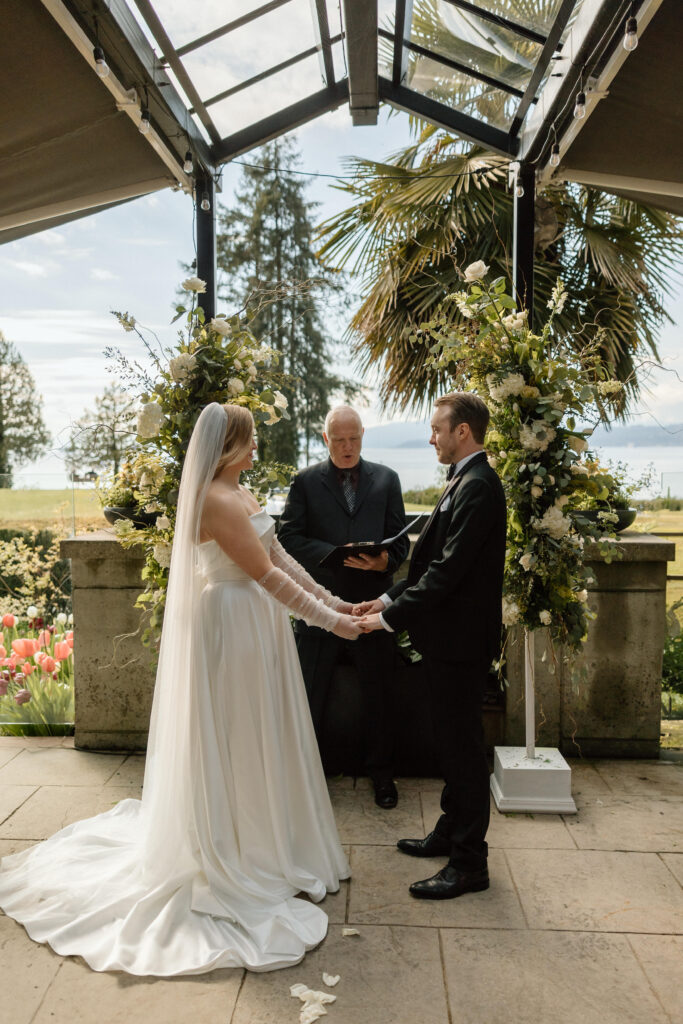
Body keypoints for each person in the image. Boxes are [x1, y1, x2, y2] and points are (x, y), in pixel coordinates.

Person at [0, 403, 362, 975]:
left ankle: (268, 838)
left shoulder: (239, 491)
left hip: (257, 621)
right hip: (233, 620)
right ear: (229, 444)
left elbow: (281, 557)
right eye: (249, 439)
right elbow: (264, 575)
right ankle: (238, 847)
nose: (256, 447)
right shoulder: (216, 499)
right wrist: (333, 624)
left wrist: (337, 602)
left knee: (260, 731)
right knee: (238, 733)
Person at [357, 392, 506, 899]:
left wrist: (387, 619)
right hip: (449, 641)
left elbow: (447, 574)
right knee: (450, 743)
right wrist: (384, 598)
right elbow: (429, 565)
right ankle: (450, 831)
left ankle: (469, 864)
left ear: (462, 431)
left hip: (460, 644)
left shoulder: (479, 485)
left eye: (437, 429)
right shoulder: (465, 478)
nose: (431, 438)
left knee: (463, 751)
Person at [278, 406, 409, 809]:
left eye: (354, 439)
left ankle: (382, 776)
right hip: (319, 606)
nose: (348, 447)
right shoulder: (305, 482)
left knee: (380, 696)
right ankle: (304, 778)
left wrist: (383, 563)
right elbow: (288, 537)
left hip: (371, 607)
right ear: (326, 439)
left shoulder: (387, 479)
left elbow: (401, 542)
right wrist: (334, 553)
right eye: (339, 440)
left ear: (363, 435)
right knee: (309, 694)